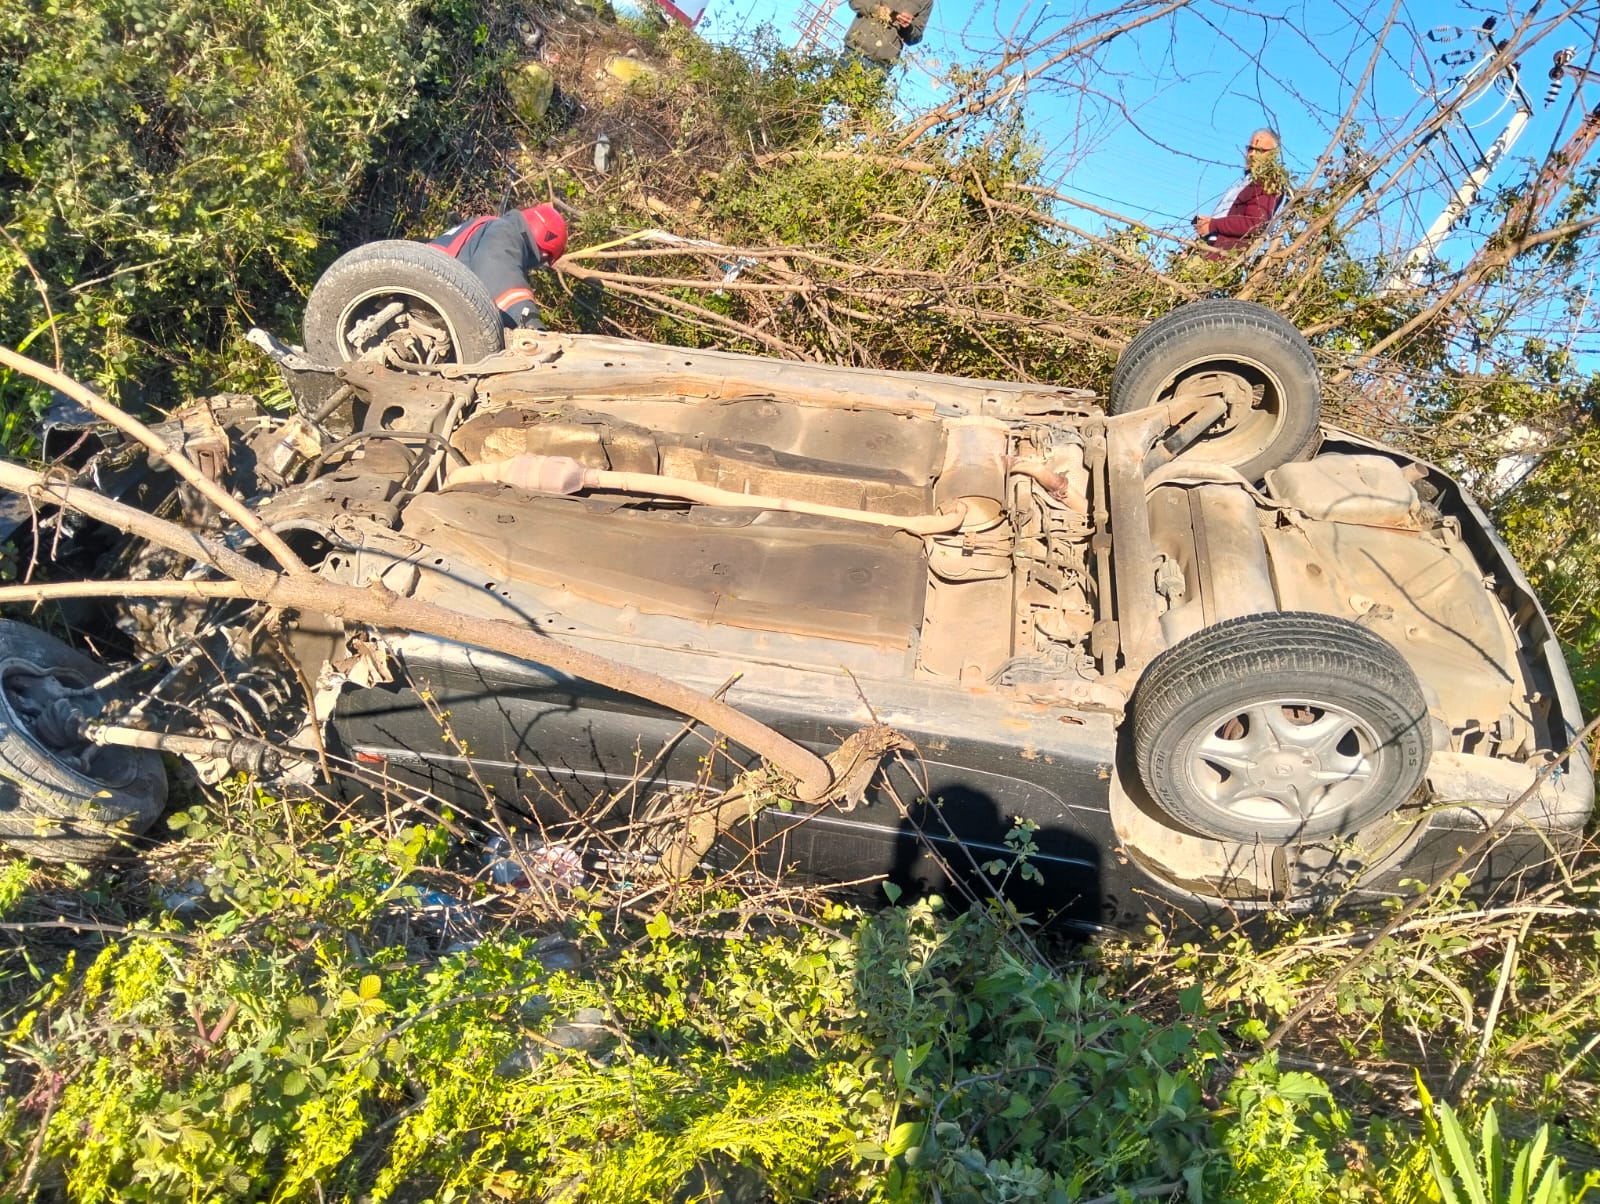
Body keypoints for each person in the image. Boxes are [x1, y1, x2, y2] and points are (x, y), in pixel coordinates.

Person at [428, 204, 568, 329]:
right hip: (433, 307)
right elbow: (499, 277)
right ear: (544, 252)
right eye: (544, 259)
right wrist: (531, 322)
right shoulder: (504, 232)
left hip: (426, 297)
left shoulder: (485, 226)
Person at [1192, 129, 1288, 254]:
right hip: (1208, 247)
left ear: (1273, 154)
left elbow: (1254, 223)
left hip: (1225, 253)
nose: (1253, 154)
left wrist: (1213, 224)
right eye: (1250, 149)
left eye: (1260, 151)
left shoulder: (1269, 183)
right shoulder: (1243, 182)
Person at [844, 0, 931, 67]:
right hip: (854, 50)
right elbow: (855, 1)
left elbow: (916, 36)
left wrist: (908, 27)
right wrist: (876, 10)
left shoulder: (926, 2)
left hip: (881, 66)